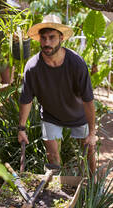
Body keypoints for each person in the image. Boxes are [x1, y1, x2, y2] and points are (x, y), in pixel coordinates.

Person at [18, 14, 97, 174]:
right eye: (43, 38)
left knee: (89, 152)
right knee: (52, 157)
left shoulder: (76, 63)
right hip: (50, 116)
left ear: (61, 38)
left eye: (52, 37)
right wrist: (21, 128)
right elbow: (26, 99)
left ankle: (93, 185)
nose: (47, 42)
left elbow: (88, 100)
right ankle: (58, 189)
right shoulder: (33, 67)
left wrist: (93, 132)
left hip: (78, 114)